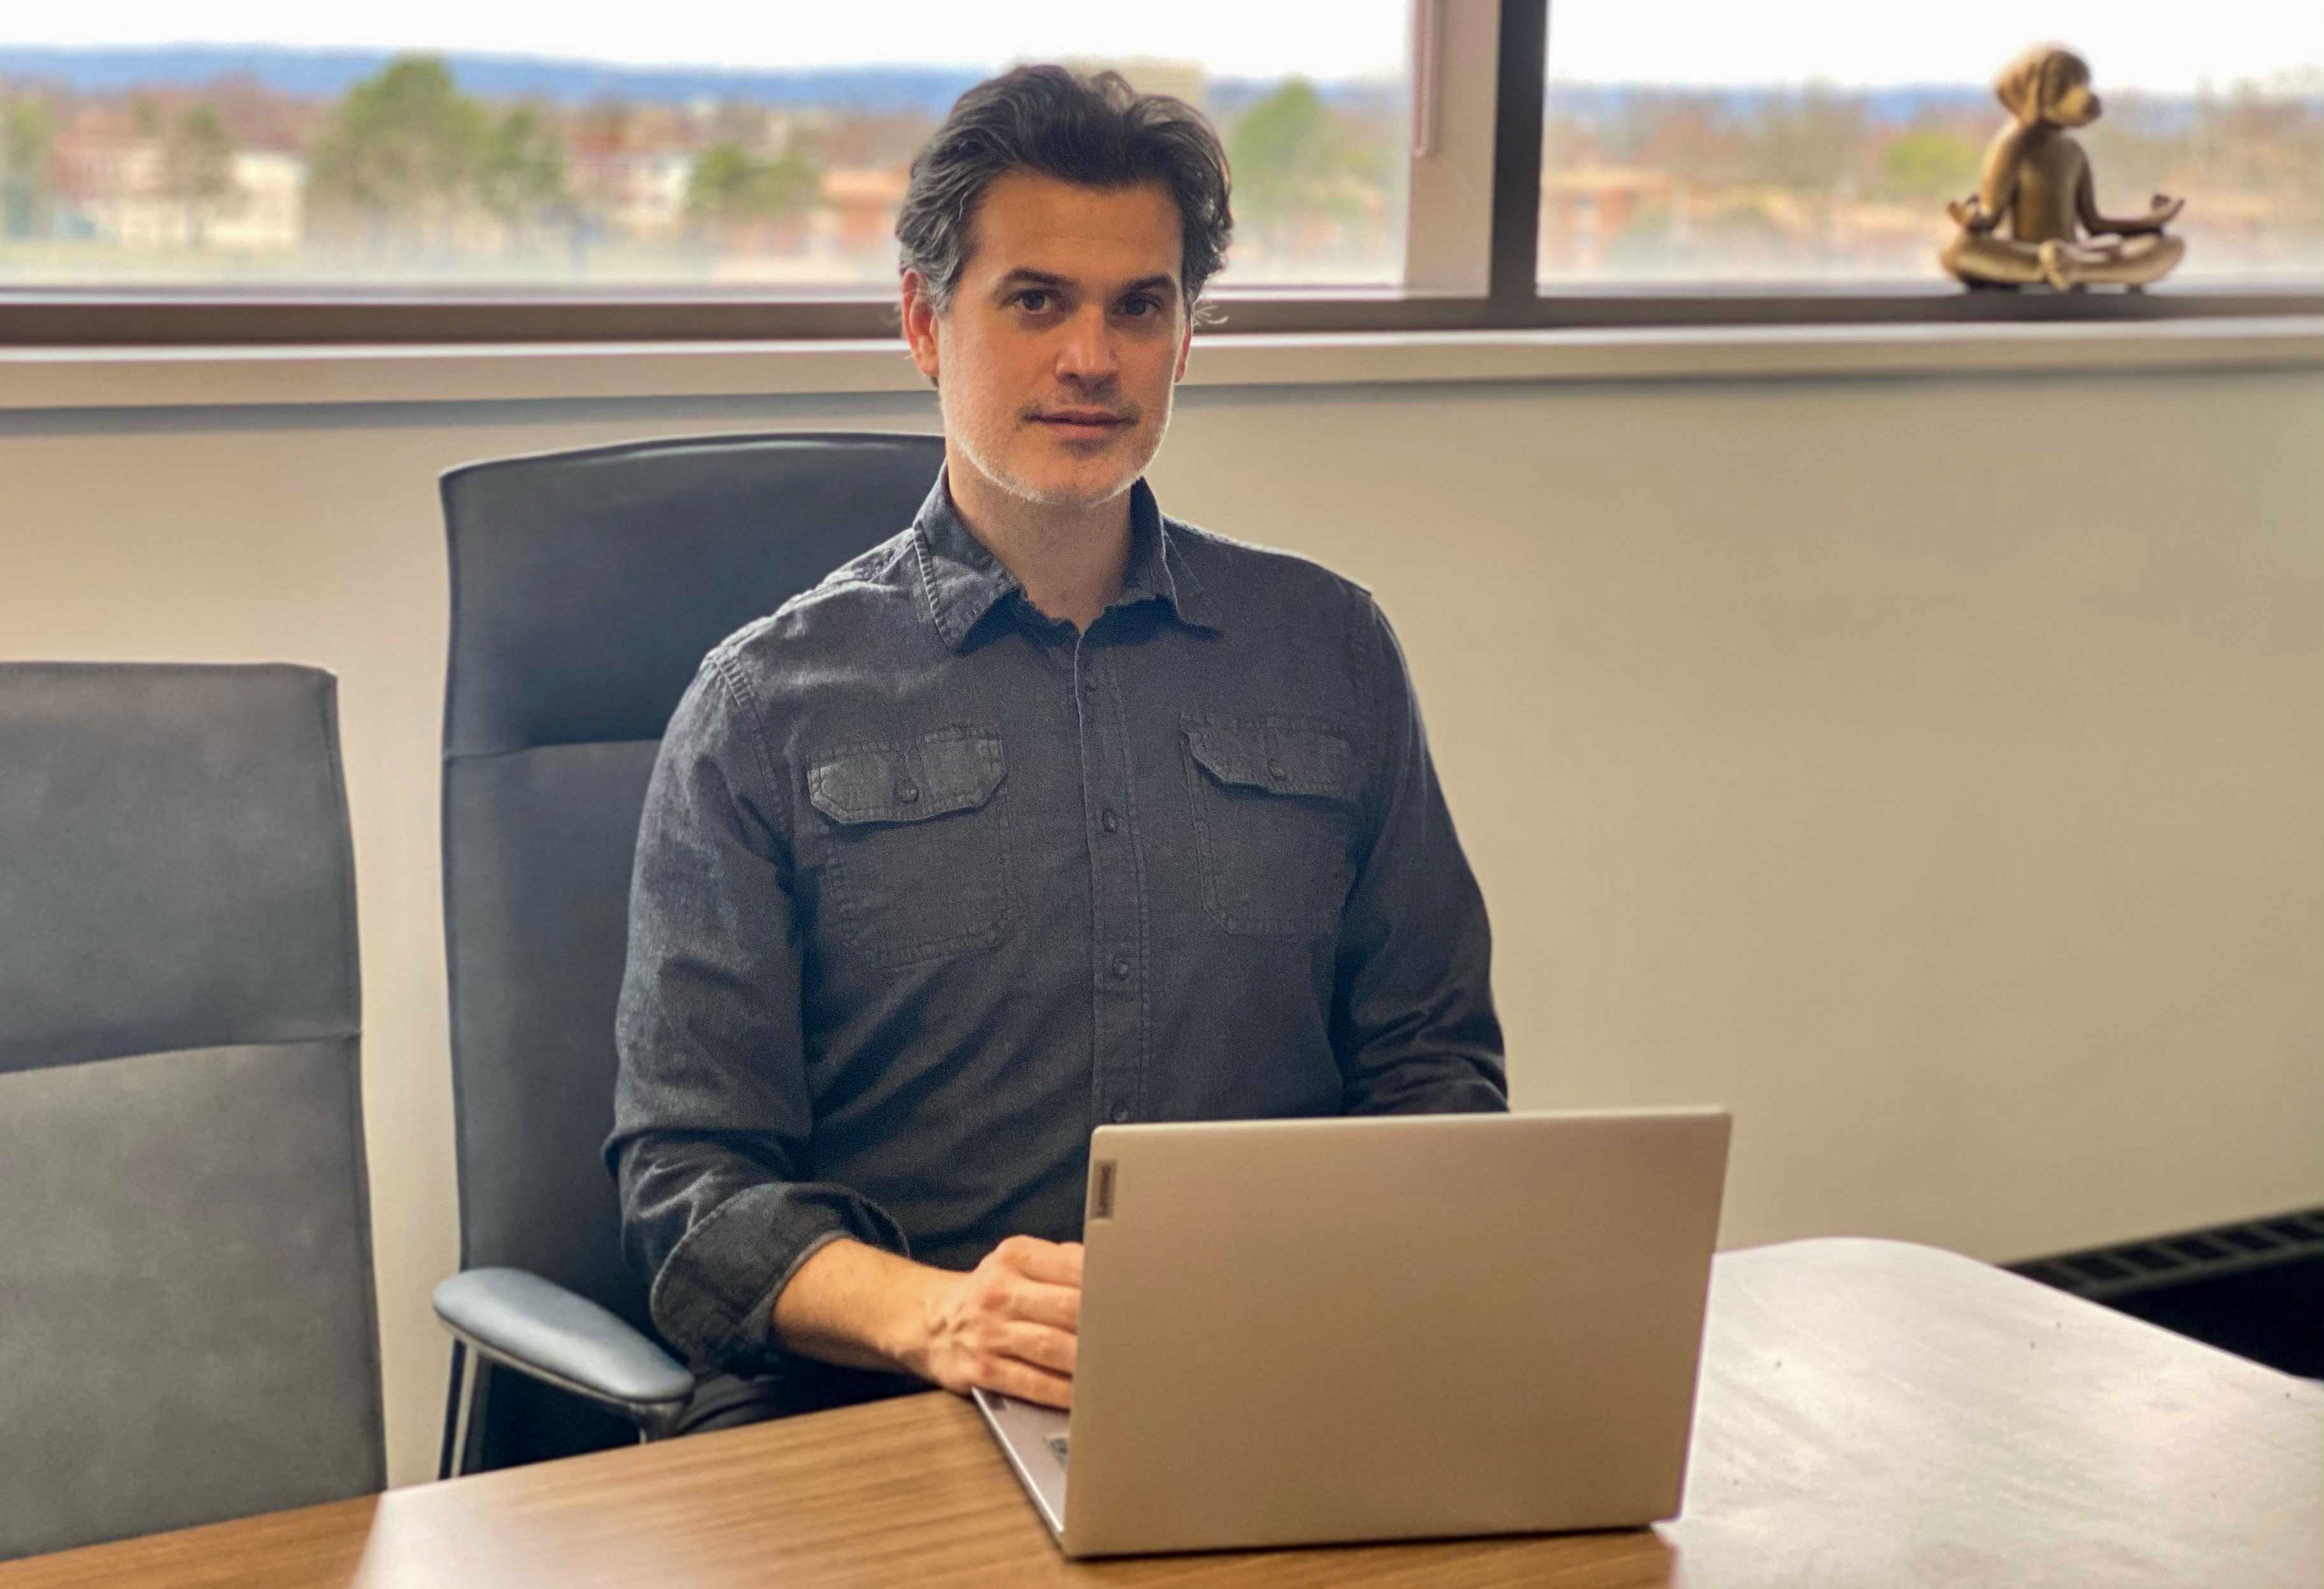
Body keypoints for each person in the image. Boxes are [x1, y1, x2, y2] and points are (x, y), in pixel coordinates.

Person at [608, 64, 1505, 1435]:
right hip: (886, 1410)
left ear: (1186, 339)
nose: (1092, 358)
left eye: (1139, 307)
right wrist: (941, 1317)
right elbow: (688, 1186)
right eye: (1036, 301)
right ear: (924, 322)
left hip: (1265, 1387)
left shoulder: (1329, 653)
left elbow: (1433, 1068)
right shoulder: (764, 707)